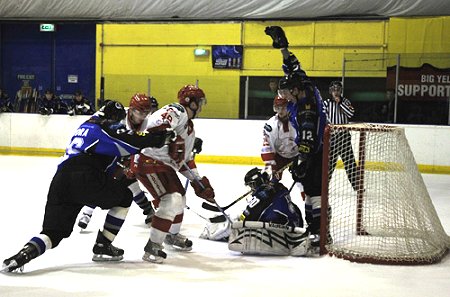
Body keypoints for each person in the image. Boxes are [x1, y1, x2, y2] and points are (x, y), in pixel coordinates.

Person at [2, 100, 173, 273]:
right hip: (85, 176)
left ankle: (23, 255)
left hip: (61, 180)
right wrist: (160, 139)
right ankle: (103, 245)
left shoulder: (85, 126)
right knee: (125, 197)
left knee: (53, 233)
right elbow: (131, 141)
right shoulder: (105, 127)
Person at [129, 84, 215, 264]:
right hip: (148, 161)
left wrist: (198, 181)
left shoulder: (190, 129)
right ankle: (153, 246)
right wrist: (169, 136)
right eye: (199, 102)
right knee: (172, 199)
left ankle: (171, 235)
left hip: (162, 166)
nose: (200, 106)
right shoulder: (177, 110)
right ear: (190, 102)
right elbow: (156, 125)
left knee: (180, 200)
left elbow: (183, 161)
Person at [265, 26, 329, 248]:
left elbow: (308, 142)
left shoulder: (306, 109)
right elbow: (294, 67)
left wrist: (301, 162)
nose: (283, 96)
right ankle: (315, 228)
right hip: (316, 149)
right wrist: (283, 47)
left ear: (294, 90)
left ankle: (320, 232)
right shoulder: (305, 86)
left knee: (314, 192)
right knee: (311, 191)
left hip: (318, 152)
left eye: (285, 92)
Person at [77, 93, 160, 229]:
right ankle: (87, 213)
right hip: (110, 151)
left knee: (132, 185)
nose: (142, 116)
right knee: (104, 180)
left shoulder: (147, 122)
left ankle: (148, 211)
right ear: (131, 109)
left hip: (129, 153)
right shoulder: (119, 119)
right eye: (139, 112)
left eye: (146, 112)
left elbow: (144, 144)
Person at [225, 168, 308, 256]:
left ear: (256, 182)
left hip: (275, 230)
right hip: (294, 225)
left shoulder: (261, 194)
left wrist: (239, 220)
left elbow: (248, 216)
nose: (252, 189)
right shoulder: (281, 187)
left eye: (251, 185)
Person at [323, 81, 359, 191]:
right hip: (332, 137)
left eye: (338, 90)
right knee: (328, 164)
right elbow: (323, 117)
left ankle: (357, 186)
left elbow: (350, 113)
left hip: (344, 137)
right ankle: (324, 187)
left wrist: (341, 103)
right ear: (330, 91)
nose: (336, 92)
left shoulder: (346, 101)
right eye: (334, 90)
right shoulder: (326, 103)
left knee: (350, 163)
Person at [261, 95, 299, 181]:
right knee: (272, 181)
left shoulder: (297, 119)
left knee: (301, 181)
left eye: (283, 108)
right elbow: (268, 147)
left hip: (297, 154)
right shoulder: (270, 125)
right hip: (279, 156)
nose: (280, 111)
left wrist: (302, 156)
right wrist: (272, 167)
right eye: (278, 108)